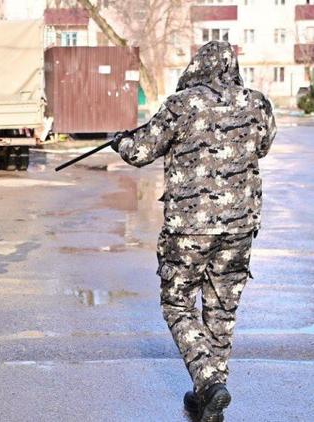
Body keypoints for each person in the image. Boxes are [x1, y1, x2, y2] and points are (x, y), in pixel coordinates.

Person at [111, 41, 276, 422]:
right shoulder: (258, 104)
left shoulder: (181, 104)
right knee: (221, 309)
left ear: (197, 66)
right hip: (239, 228)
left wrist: (120, 139)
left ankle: (208, 380)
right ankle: (209, 394)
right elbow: (262, 146)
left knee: (178, 303)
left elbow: (140, 151)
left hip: (188, 229)